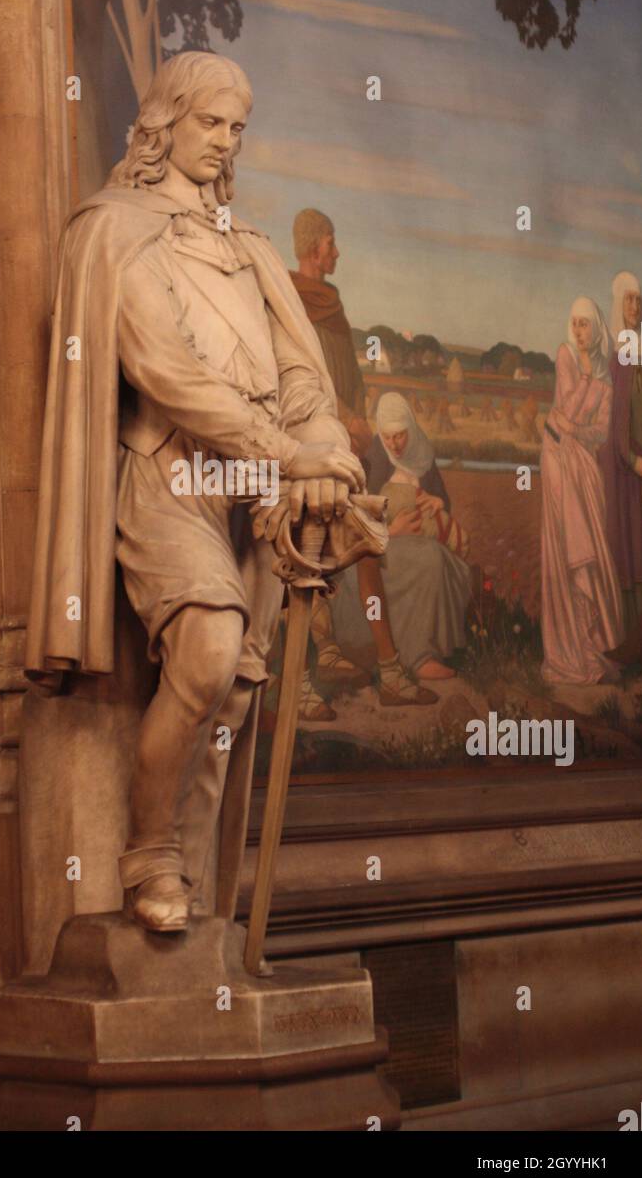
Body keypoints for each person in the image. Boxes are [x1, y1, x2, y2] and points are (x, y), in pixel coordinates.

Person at [24, 53, 366, 934]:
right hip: (172, 472)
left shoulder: (247, 246)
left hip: (256, 490)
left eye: (238, 127)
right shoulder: (116, 228)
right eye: (211, 121)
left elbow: (303, 374)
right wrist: (290, 452)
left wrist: (321, 446)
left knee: (238, 694)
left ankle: (200, 902)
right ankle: (149, 857)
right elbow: (169, 374)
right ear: (166, 120)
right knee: (208, 653)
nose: (225, 141)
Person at [289, 210, 436, 709]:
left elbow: (346, 377)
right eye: (331, 243)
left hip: (344, 447)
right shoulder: (290, 303)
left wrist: (356, 426)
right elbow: (301, 378)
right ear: (313, 248)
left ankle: (389, 670)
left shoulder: (331, 305)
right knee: (302, 561)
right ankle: (303, 676)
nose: (337, 251)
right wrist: (344, 420)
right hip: (308, 449)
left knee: (367, 551)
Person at [540, 297, 622, 685]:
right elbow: (568, 409)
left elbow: (600, 433)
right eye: (574, 323)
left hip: (584, 467)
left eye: (585, 324)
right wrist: (586, 379)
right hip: (557, 458)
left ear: (597, 328)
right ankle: (563, 654)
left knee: (587, 548)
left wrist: (580, 431)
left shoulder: (607, 383)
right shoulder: (566, 357)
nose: (578, 331)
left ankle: (586, 647)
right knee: (565, 549)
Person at [364, 393, 472, 682]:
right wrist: (391, 531)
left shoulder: (423, 451)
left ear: (410, 429)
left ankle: (435, 649)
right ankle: (418, 656)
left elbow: (443, 500)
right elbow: (360, 518)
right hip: (385, 545)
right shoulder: (374, 457)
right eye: (387, 438)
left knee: (455, 566)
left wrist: (437, 503)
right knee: (431, 558)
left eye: (399, 436)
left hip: (419, 539)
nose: (394, 445)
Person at [601, 271, 642, 657]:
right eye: (629, 301)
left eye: (639, 300)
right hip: (623, 470)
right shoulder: (613, 358)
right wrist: (632, 458)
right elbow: (612, 418)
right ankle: (626, 638)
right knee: (627, 543)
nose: (635, 308)